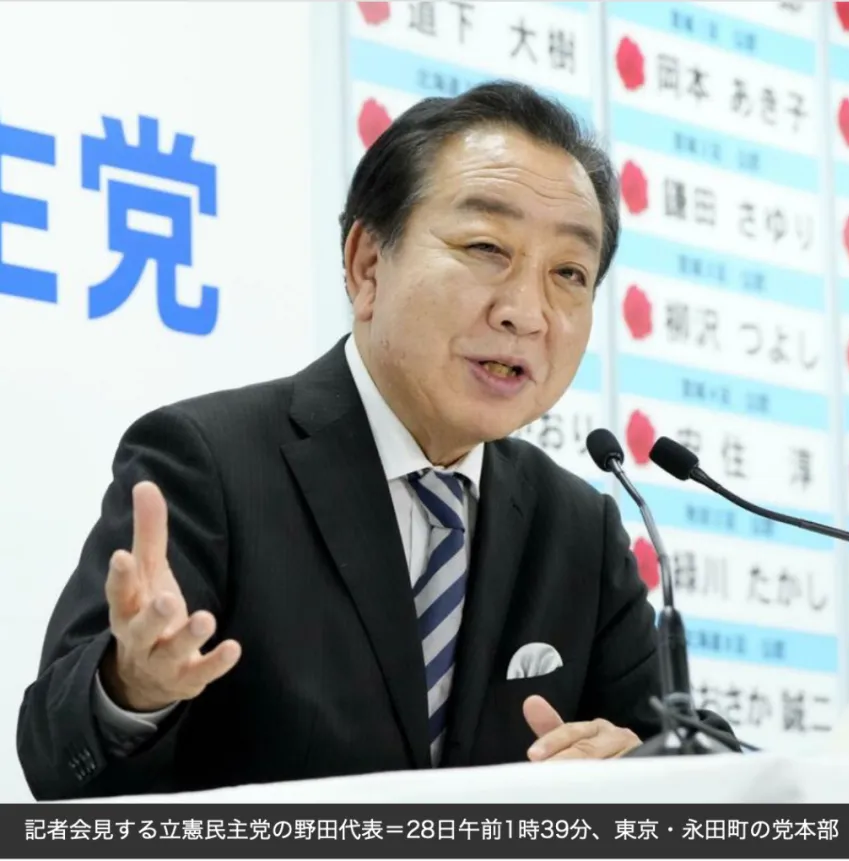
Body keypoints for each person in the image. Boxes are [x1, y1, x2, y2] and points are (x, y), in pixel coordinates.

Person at [17, 81, 737, 800]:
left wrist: (643, 763)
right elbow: (53, 762)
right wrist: (133, 689)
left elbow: (700, 756)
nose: (526, 311)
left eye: (569, 273)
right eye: (486, 247)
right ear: (367, 265)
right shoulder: (208, 462)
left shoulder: (578, 529)